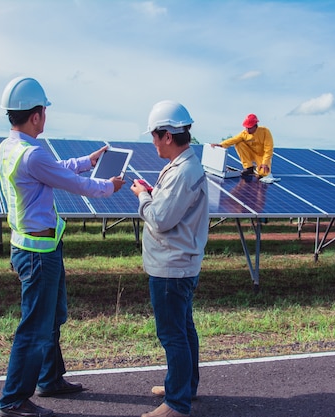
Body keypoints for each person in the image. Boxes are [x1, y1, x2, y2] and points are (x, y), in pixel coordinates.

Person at [0, 76, 125, 417]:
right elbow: (73, 183)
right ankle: (13, 399)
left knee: (52, 317)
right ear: (37, 115)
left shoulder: (10, 148)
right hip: (38, 253)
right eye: (45, 111)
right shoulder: (32, 155)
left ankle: (50, 378)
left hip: (36, 247)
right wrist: (109, 186)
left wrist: (89, 159)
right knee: (35, 326)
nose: (45, 117)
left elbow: (56, 169)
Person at [130, 100, 209, 417]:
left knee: (172, 334)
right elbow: (170, 208)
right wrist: (154, 194)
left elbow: (160, 218)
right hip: (180, 263)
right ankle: (184, 386)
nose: (152, 141)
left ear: (166, 136)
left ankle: (177, 403)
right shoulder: (184, 166)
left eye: (153, 135)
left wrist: (142, 196)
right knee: (184, 329)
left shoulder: (183, 171)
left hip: (171, 268)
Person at [212, 113, 274, 177]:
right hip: (251, 154)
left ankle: (256, 168)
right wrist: (221, 145)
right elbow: (233, 140)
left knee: (263, 174)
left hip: (262, 156)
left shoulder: (265, 131)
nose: (247, 130)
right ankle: (248, 167)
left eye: (249, 128)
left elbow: (268, 149)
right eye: (246, 127)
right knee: (239, 143)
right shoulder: (244, 134)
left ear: (255, 126)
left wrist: (265, 163)